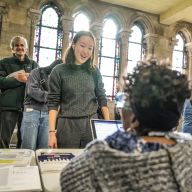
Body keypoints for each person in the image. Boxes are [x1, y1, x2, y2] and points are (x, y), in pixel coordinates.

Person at [60, 58, 192, 191]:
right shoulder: (188, 149)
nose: (121, 109)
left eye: (125, 101)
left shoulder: (101, 156)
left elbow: (68, 179)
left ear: (134, 116)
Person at [48, 30, 110, 149]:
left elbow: (102, 98)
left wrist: (106, 128)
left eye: (90, 48)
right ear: (73, 45)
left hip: (91, 125)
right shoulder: (59, 71)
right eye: (82, 46)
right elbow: (53, 103)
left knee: (91, 163)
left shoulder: (94, 71)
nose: (86, 51)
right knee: (67, 164)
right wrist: (51, 133)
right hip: (67, 126)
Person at [0, 36, 38, 148]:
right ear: (12, 48)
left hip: (28, 107)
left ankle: (21, 164)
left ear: (26, 48)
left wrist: (30, 79)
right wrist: (17, 79)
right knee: (3, 139)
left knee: (24, 140)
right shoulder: (4, 63)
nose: (19, 47)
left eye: (22, 45)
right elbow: (1, 82)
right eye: (16, 45)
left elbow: (40, 83)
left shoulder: (33, 64)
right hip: (8, 106)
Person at [20, 59, 62, 150]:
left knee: (43, 149)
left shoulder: (58, 79)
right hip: (32, 111)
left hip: (47, 113)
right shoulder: (36, 72)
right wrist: (52, 97)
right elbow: (32, 91)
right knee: (28, 147)